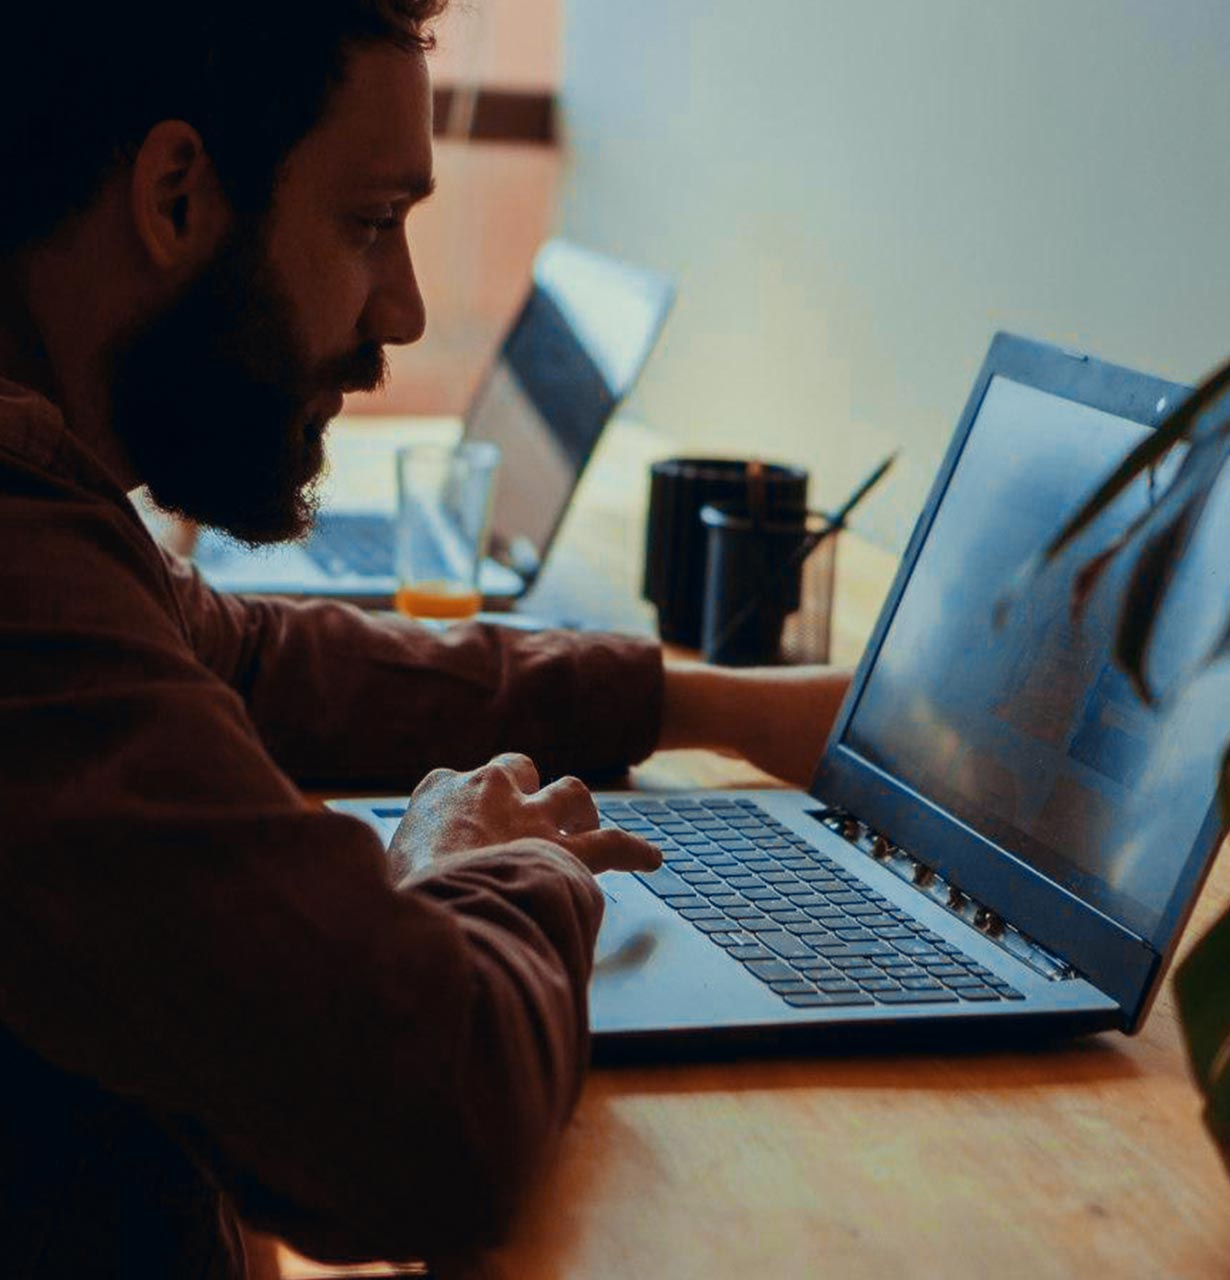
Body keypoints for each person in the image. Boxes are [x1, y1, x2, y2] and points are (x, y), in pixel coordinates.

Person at [0, 2, 850, 1275]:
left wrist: (707, 704)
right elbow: (434, 1114)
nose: (400, 312)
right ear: (175, 197)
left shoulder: (50, 504)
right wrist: (494, 863)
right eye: (370, 222)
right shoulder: (21, 581)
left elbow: (249, 657)